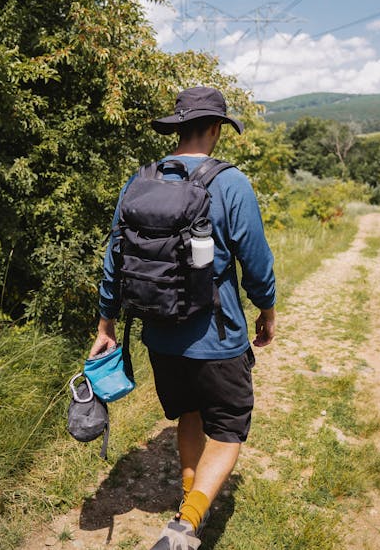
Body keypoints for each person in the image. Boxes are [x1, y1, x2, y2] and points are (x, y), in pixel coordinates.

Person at [90, 86, 276, 550]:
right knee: (230, 428)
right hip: (218, 335)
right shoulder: (231, 183)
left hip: (161, 335)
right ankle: (188, 522)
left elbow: (114, 258)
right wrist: (267, 311)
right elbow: (256, 263)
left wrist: (105, 325)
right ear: (216, 129)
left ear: (176, 128)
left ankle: (187, 500)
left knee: (188, 414)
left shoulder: (141, 180)